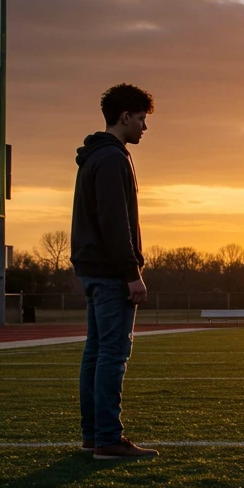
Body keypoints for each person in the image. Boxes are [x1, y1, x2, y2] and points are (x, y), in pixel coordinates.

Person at [70, 83, 159, 460]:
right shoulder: (111, 158)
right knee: (112, 354)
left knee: (96, 352)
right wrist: (131, 273)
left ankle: (94, 436)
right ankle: (107, 438)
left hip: (95, 268)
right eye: (141, 119)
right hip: (109, 272)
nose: (144, 127)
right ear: (124, 117)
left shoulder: (97, 156)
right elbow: (114, 221)